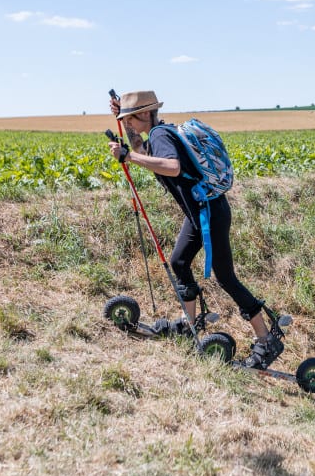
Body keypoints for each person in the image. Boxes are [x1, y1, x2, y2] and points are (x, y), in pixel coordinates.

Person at [108, 90, 283, 369]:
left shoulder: (160, 136)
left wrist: (127, 157)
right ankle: (189, 326)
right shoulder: (159, 132)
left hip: (209, 213)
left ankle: (266, 339)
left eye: (130, 117)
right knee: (179, 261)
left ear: (144, 114)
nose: (127, 122)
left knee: (225, 277)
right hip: (201, 211)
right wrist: (126, 132)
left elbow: (172, 167)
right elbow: (141, 151)